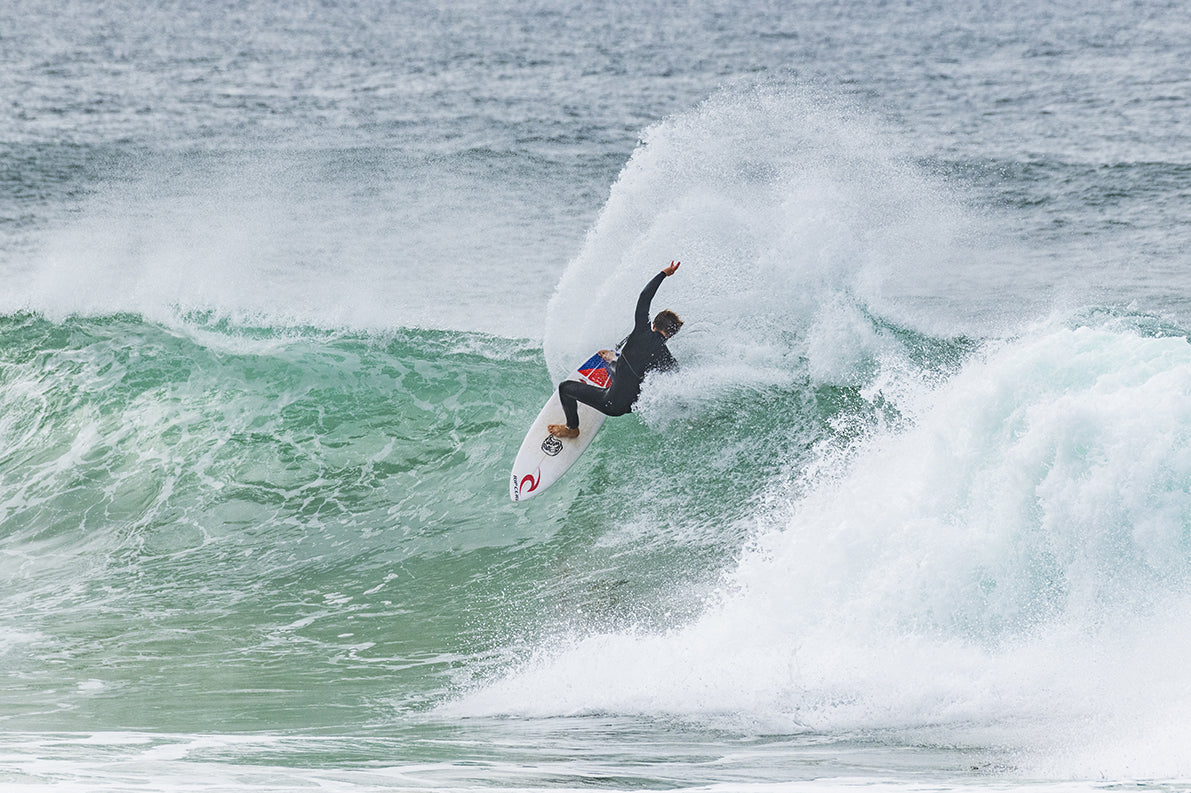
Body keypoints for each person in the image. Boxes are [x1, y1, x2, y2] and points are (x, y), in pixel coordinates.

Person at [548, 260, 684, 439]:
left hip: (611, 404)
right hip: (633, 405)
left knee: (564, 388)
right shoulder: (666, 357)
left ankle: (572, 428)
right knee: (619, 366)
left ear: (654, 325)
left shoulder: (641, 330)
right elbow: (678, 382)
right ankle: (613, 359)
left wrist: (664, 274)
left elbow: (644, 297)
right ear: (671, 335)